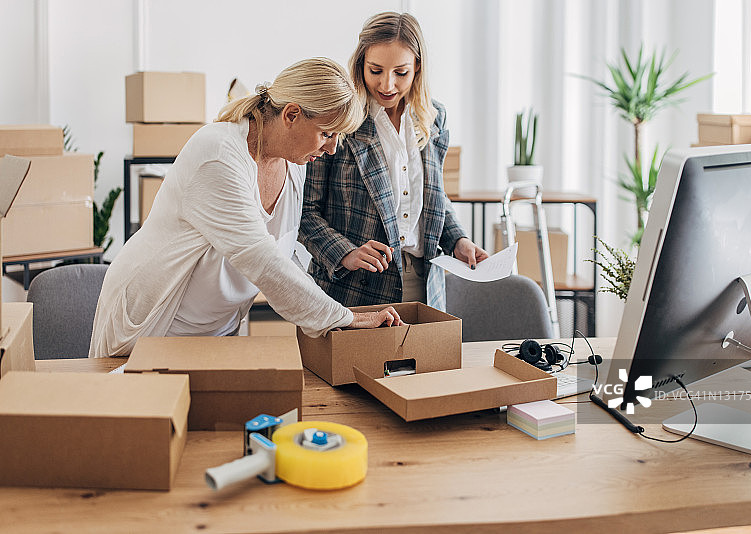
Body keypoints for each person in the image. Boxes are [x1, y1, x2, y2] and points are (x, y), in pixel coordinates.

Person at [89, 58, 402, 358]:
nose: (332, 147)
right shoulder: (218, 154)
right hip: (153, 325)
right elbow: (262, 261)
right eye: (327, 133)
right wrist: (345, 317)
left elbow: (282, 255)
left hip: (213, 332)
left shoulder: (294, 163)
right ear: (292, 114)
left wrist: (333, 313)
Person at [300, 12, 488, 311]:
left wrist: (458, 241)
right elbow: (305, 210)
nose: (386, 85)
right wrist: (345, 253)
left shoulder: (433, 117)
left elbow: (433, 197)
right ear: (360, 64)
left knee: (426, 360)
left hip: (423, 281)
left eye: (400, 72)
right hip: (352, 287)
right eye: (375, 70)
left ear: (418, 68)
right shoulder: (340, 118)